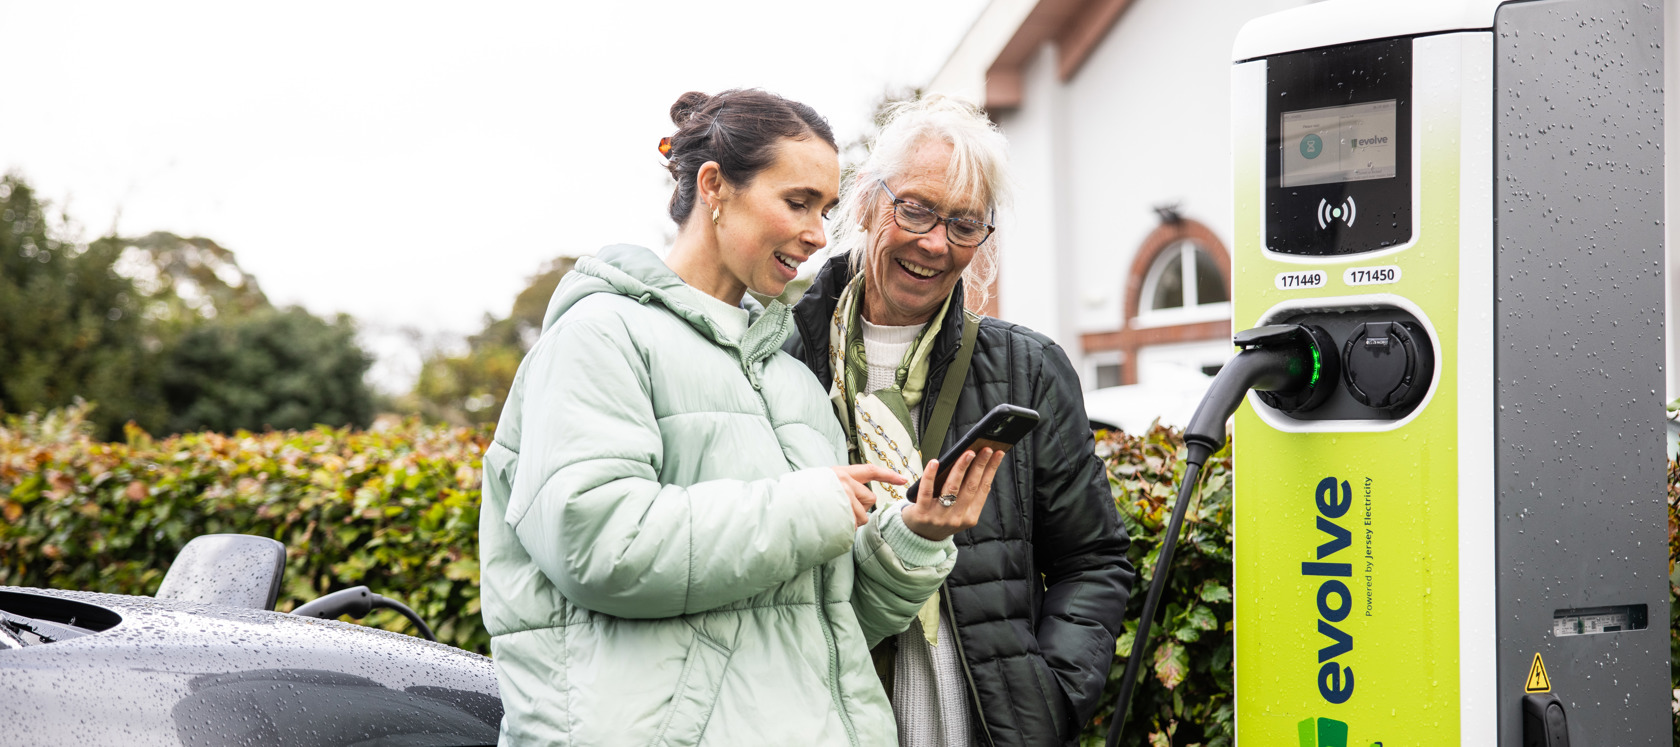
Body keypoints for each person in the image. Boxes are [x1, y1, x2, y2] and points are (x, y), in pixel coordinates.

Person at [477, 89, 1002, 746]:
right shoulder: (599, 338)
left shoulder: (792, 382)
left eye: (826, 209)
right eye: (797, 202)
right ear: (714, 186)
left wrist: (914, 539)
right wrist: (811, 506)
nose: (819, 234)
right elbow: (599, 546)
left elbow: (825, 622)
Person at [784, 95, 1135, 747]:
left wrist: (1051, 699)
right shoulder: (781, 358)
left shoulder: (1027, 369)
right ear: (866, 201)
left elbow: (1094, 559)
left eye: (965, 224)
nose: (935, 243)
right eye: (915, 209)